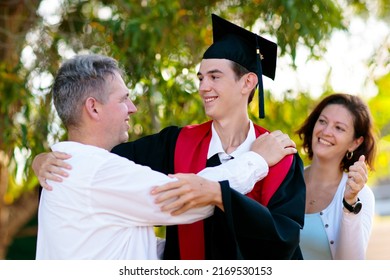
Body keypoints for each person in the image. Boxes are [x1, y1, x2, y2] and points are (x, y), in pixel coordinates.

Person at [33, 14, 306, 260]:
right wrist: (44, 159)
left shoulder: (280, 155)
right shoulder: (174, 144)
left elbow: (285, 239)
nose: (202, 87)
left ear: (247, 83)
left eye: (214, 77)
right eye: (201, 78)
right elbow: (91, 155)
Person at [296, 93, 377, 260]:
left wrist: (350, 205)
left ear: (355, 143)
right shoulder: (286, 178)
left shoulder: (361, 196)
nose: (326, 131)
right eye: (323, 121)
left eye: (339, 128)